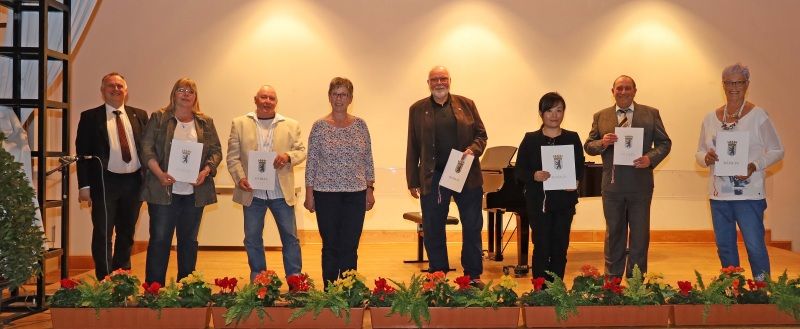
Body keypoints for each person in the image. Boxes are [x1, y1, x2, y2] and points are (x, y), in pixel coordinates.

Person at [695, 63, 784, 280]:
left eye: (739, 82)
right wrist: (706, 158)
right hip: (719, 196)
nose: (734, 87)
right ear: (723, 85)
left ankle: (761, 292)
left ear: (747, 85)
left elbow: (777, 150)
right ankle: (733, 290)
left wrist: (754, 165)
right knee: (725, 247)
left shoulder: (758, 115)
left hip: (749, 195)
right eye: (729, 82)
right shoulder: (710, 118)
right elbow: (699, 152)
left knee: (754, 246)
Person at [405, 66, 487, 285]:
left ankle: (472, 275)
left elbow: (481, 135)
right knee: (432, 226)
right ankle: (438, 273)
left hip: (467, 174)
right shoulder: (417, 109)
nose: (439, 82)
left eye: (443, 78)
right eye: (434, 79)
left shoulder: (467, 104)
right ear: (428, 83)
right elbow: (412, 146)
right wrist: (413, 180)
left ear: (450, 80)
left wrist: (473, 149)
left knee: (472, 225)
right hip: (435, 177)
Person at [584, 75, 671, 278]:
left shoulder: (650, 114)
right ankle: (612, 282)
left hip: (640, 186)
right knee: (614, 234)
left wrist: (650, 158)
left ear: (635, 90)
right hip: (612, 186)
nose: (623, 92)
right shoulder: (601, 116)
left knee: (640, 236)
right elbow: (588, 145)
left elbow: (665, 143)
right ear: (612, 91)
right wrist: (602, 143)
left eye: (627, 88)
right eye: (619, 88)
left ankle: (636, 283)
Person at [140, 78, 222, 285]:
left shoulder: (205, 122)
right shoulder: (159, 118)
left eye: (191, 91)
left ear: (195, 96)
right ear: (174, 94)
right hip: (163, 191)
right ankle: (154, 290)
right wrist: (159, 174)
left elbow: (216, 152)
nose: (186, 94)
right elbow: (146, 148)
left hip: (194, 194)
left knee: (188, 242)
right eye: (181, 90)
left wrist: (205, 171)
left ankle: (186, 289)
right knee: (160, 241)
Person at [227, 85, 306, 281]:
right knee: (252, 239)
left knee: (290, 238)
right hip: (253, 193)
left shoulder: (291, 124)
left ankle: (295, 279)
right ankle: (259, 279)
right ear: (255, 99)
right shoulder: (239, 123)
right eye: (263, 97)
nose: (267, 101)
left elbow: (302, 151)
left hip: (281, 192)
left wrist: (288, 156)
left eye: (271, 98)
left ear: (276, 102)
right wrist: (240, 178)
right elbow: (232, 157)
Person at [75, 73, 148, 279]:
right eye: (110, 86)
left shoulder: (140, 115)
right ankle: (105, 279)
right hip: (104, 183)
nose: (115, 89)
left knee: (127, 232)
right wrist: (84, 186)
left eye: (120, 86)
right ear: (102, 91)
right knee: (103, 233)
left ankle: (121, 276)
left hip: (133, 182)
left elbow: (147, 150)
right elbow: (82, 155)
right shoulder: (90, 117)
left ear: (126, 90)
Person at [304, 77, 375, 286]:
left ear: (351, 98)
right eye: (335, 94)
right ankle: (330, 290)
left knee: (350, 245)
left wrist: (370, 188)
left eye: (343, 94)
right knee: (330, 244)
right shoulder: (319, 126)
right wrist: (309, 194)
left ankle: (349, 289)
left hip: (356, 193)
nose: (339, 98)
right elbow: (312, 162)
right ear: (329, 97)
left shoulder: (361, 125)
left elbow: (368, 158)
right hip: (325, 194)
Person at [515, 92, 585, 280]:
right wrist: (534, 175)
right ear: (541, 113)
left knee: (560, 247)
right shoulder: (530, 139)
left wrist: (576, 181)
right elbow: (519, 171)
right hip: (539, 203)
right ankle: (540, 291)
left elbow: (580, 167)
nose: (554, 115)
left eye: (559, 110)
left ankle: (556, 289)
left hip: (564, 202)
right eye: (549, 110)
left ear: (564, 113)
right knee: (541, 246)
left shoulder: (573, 137)